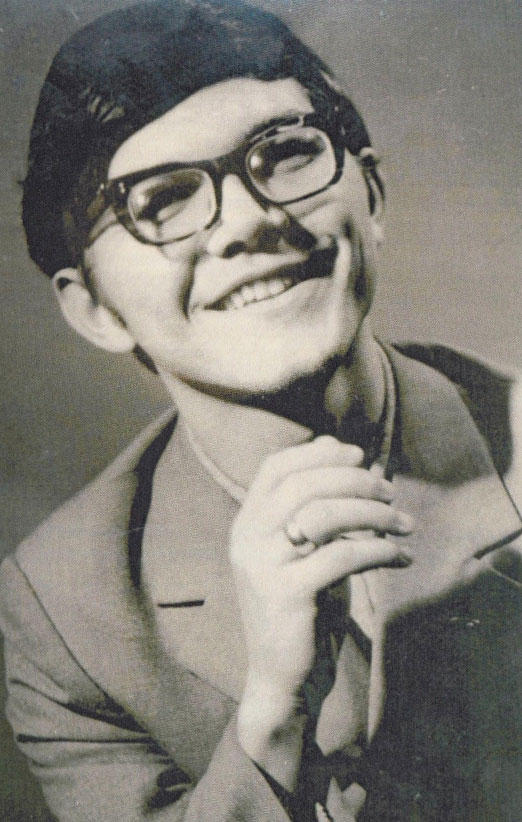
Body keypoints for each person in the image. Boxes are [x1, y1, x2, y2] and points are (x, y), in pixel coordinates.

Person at [1, 0, 522, 819]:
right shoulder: (63, 612)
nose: (251, 219)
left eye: (284, 155)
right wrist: (272, 723)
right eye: (162, 200)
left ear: (371, 196)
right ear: (95, 308)